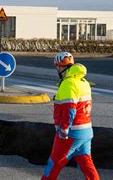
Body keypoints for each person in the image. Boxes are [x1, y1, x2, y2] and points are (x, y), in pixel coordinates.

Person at [41, 52, 100, 180]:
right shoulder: (83, 82)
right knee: (87, 165)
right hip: (86, 131)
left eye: (58, 66)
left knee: (54, 164)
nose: (57, 69)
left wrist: (64, 130)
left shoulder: (68, 84)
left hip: (71, 133)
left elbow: (70, 109)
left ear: (62, 68)